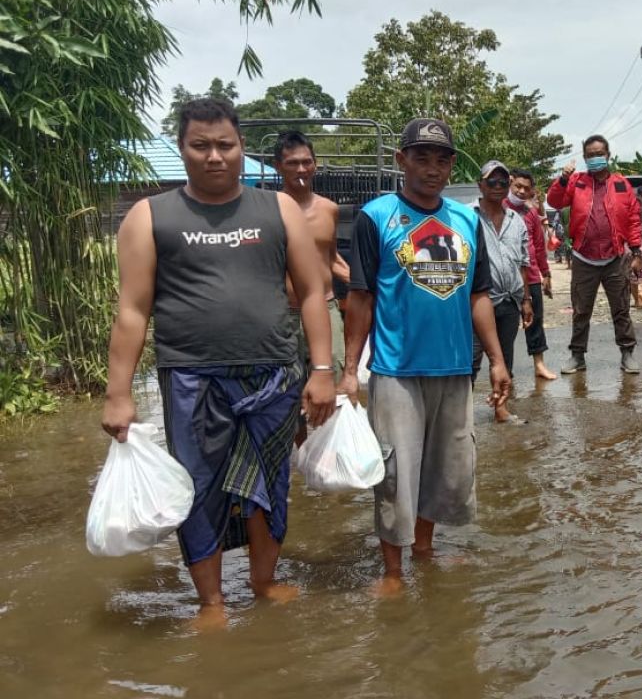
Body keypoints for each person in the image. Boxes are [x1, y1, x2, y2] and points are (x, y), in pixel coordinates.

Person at [101, 98, 337, 628]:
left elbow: (311, 293)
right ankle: (211, 604)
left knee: (269, 486)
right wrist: (119, 393)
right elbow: (133, 310)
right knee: (198, 488)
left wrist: (322, 371)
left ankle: (264, 583)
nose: (214, 157)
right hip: (190, 376)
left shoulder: (277, 209)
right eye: (200, 146)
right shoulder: (149, 216)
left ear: (241, 148)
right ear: (182, 148)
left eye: (224, 145)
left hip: (273, 374)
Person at [336, 117, 511, 593]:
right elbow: (361, 296)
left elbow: (479, 296)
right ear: (401, 161)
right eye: (421, 157)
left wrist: (496, 359)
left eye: (441, 159)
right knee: (395, 473)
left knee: (444, 469)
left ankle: (425, 550)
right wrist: (350, 370)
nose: (432, 169)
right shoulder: (376, 217)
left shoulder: (467, 222)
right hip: (396, 370)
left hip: (455, 368)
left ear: (452, 164)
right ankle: (393, 572)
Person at [272, 130, 352, 443]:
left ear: (316, 165)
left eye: (307, 162)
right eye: (293, 163)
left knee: (332, 381)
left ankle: (331, 458)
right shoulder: (269, 209)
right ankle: (301, 455)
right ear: (279, 167)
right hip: (283, 311)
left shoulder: (329, 209)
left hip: (326, 305)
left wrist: (360, 282)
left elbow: (330, 257)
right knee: (287, 389)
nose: (301, 169)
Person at [546, 134, 642, 375]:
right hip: (583, 259)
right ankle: (577, 356)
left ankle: (627, 353)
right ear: (584, 158)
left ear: (608, 155)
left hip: (614, 259)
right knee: (581, 310)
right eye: (590, 155)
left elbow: (633, 218)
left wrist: (636, 251)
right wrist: (563, 178)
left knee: (621, 308)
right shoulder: (576, 182)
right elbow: (554, 200)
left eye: (599, 153)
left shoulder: (621, 184)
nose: (595, 158)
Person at [470, 161, 532, 424]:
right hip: (475, 300)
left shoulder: (516, 220)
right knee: (470, 360)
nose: (497, 187)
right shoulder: (467, 216)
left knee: (504, 359)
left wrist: (526, 300)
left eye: (503, 182)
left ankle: (501, 409)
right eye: (491, 182)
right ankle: (461, 411)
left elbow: (523, 262)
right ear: (480, 185)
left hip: (509, 299)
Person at [507, 168, 557, 381]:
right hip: (506, 278)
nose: (521, 191)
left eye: (526, 188)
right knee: (506, 327)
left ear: (531, 192)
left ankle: (539, 364)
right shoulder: (498, 209)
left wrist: (546, 274)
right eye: (517, 186)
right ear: (510, 184)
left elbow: (538, 247)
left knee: (535, 322)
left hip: (532, 276)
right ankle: (505, 370)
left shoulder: (531, 215)